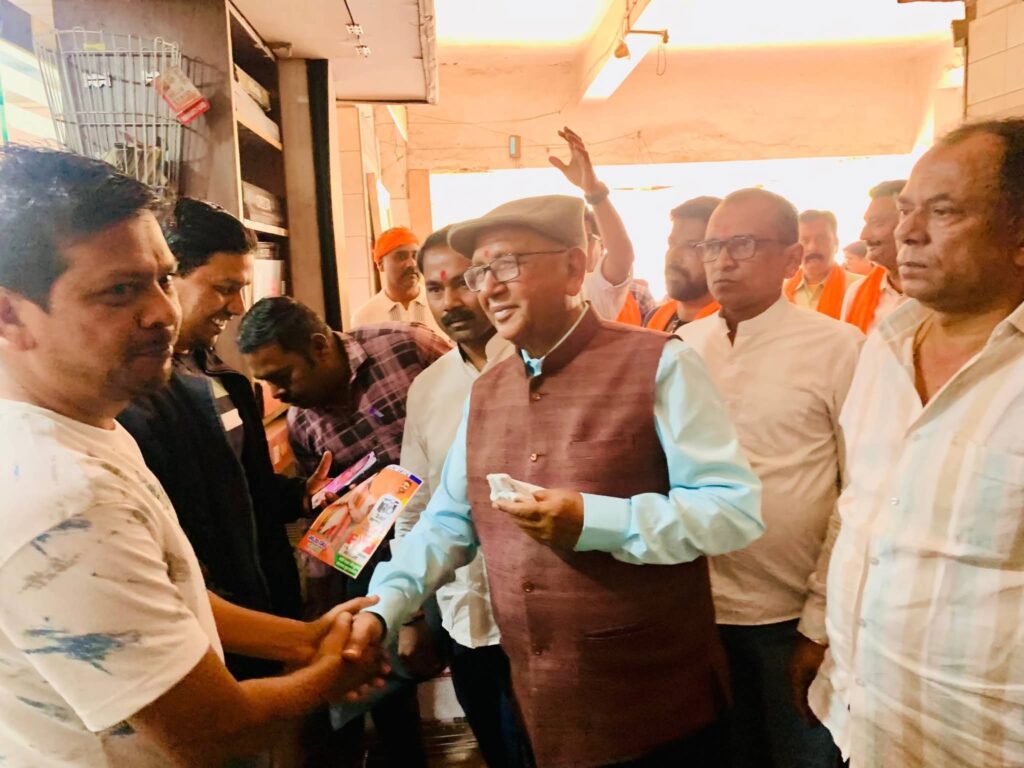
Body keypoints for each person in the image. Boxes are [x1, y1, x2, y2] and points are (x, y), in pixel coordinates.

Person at [344, 194, 766, 767]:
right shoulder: (486, 393)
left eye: (507, 264)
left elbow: (732, 511)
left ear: (573, 268)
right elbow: (447, 521)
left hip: (655, 702)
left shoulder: (660, 364)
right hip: (540, 701)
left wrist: (596, 521)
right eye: (479, 272)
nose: (489, 288)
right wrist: (382, 609)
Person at [0, 146, 381, 768]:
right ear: (9, 313)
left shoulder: (85, 425)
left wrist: (305, 639)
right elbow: (211, 733)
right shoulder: (60, 494)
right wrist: (335, 670)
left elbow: (170, 595)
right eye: (120, 290)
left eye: (163, 278)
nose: (164, 311)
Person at [809, 118, 1024, 767]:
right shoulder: (885, 345)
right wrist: (819, 630)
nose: (907, 232)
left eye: (944, 211)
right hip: (865, 719)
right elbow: (858, 505)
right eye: (907, 209)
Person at [678, 188, 863, 768]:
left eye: (742, 245)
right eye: (711, 246)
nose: (722, 261)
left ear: (791, 259)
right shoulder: (683, 347)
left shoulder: (838, 347)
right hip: (700, 614)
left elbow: (860, 490)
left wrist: (819, 623)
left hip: (794, 619)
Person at [118, 199, 329, 683]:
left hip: (261, 609)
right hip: (210, 632)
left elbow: (240, 488)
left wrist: (299, 495)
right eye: (224, 289)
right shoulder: (135, 398)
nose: (237, 308)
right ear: (169, 277)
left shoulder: (218, 374)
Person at [237, 296, 450, 768]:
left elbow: (475, 394)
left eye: (282, 376)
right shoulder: (302, 424)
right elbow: (336, 521)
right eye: (266, 382)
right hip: (382, 561)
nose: (277, 393)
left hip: (463, 535)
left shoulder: (407, 347)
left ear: (319, 347)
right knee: (379, 671)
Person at [394, 225, 527, 767]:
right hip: (466, 618)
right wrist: (408, 615)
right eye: (435, 288)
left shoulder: (541, 365)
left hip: (547, 619)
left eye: (463, 282)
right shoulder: (429, 388)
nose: (450, 302)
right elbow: (414, 506)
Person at [549, 127, 636, 322]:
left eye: (585, 239)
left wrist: (594, 192)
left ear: (602, 245)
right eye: (567, 242)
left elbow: (622, 256)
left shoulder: (598, 288)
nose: (576, 249)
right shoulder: (551, 289)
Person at [350, 226, 446, 337]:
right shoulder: (364, 318)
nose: (412, 263)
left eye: (415, 256)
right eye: (401, 256)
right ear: (380, 265)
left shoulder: (442, 305)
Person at [646, 196, 723, 332]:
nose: (674, 256)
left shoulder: (731, 327)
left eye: (691, 246)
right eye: (672, 243)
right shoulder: (656, 317)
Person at [841, 180, 908, 334]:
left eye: (877, 223)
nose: (863, 235)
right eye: (866, 223)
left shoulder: (943, 295)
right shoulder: (856, 293)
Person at [785, 210, 863, 318]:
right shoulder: (780, 292)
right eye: (804, 240)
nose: (812, 247)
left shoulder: (861, 288)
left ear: (836, 243)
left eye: (821, 239)